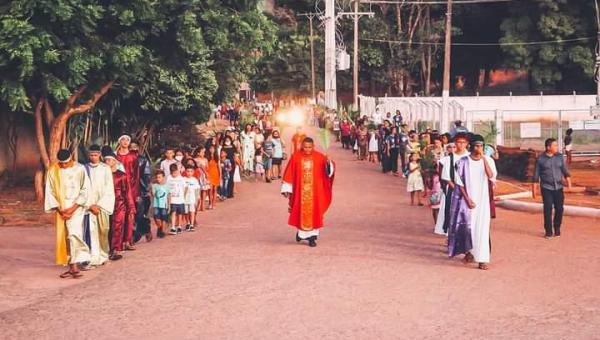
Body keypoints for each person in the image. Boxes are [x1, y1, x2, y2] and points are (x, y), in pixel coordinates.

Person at [447, 134, 497, 270]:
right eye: (477, 146)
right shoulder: (462, 162)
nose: (479, 148)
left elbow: (491, 176)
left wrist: (484, 159)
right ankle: (470, 252)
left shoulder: (488, 161)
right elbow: (459, 183)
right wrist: (467, 199)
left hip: (483, 202)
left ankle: (483, 260)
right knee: (469, 228)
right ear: (471, 147)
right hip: (468, 201)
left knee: (483, 229)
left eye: (481, 146)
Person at [45, 149, 92, 278]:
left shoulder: (80, 169)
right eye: (62, 163)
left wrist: (72, 208)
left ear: (71, 159)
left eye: (66, 163)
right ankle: (72, 264)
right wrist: (60, 210)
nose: (64, 166)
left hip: (76, 208)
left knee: (74, 234)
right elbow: (50, 191)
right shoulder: (53, 170)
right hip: (61, 209)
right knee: (65, 237)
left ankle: (75, 265)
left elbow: (85, 189)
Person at [281, 137, 335, 247]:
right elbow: (289, 173)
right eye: (305, 147)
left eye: (310, 147)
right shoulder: (296, 157)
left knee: (315, 213)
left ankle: (312, 238)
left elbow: (328, 172)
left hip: (315, 192)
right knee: (301, 212)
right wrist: (287, 188)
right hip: (301, 192)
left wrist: (329, 162)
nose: (307, 149)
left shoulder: (319, 157)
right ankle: (301, 234)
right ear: (302, 146)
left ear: (313, 146)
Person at [83, 144, 115, 267]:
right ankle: (92, 257)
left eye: (96, 155)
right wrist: (90, 205)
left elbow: (109, 188)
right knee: (91, 231)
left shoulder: (105, 168)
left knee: (103, 230)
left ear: (100, 155)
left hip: (102, 205)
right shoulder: (84, 169)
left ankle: (103, 255)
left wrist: (99, 205)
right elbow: (83, 189)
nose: (94, 157)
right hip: (89, 206)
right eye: (91, 155)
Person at [534, 138, 572, 238]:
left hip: (558, 188)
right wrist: (534, 190)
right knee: (547, 209)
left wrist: (569, 183)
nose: (557, 147)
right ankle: (548, 231)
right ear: (548, 147)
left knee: (559, 208)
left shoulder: (559, 157)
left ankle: (557, 227)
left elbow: (565, 171)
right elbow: (536, 175)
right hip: (546, 188)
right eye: (554, 145)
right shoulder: (540, 159)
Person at [434, 134, 470, 236]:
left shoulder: (469, 157)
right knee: (451, 213)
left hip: (468, 190)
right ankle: (450, 236)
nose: (461, 145)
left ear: (467, 144)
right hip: (453, 190)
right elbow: (446, 177)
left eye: (463, 142)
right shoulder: (449, 158)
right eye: (459, 142)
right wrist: (457, 189)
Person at [104, 148, 134, 260]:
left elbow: (128, 192)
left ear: (115, 161)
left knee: (117, 226)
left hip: (120, 203)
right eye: (106, 160)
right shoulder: (102, 175)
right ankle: (107, 248)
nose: (108, 162)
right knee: (107, 226)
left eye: (110, 160)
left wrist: (130, 206)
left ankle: (115, 249)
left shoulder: (122, 175)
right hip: (106, 203)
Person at [115, 134, 139, 250]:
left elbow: (136, 175)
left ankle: (128, 240)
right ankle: (116, 243)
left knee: (130, 215)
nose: (125, 142)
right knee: (118, 216)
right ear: (119, 141)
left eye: (127, 140)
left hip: (130, 189)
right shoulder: (114, 156)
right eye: (123, 139)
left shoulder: (133, 157)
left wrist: (135, 193)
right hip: (117, 188)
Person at [130, 140, 153, 243]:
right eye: (131, 146)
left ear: (139, 148)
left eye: (135, 146)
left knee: (140, 214)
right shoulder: (122, 159)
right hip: (128, 190)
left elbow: (147, 176)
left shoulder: (143, 160)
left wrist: (143, 189)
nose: (133, 148)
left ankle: (145, 231)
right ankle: (132, 235)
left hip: (140, 191)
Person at [166, 163, 187, 234]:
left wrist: (184, 196)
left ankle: (179, 226)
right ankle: (173, 227)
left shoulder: (181, 178)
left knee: (180, 213)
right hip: (172, 200)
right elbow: (167, 188)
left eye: (176, 173)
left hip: (180, 199)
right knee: (173, 213)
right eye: (173, 173)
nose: (174, 175)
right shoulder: (169, 178)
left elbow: (185, 187)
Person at [151, 170, 169, 238]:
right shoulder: (155, 185)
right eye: (157, 177)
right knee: (157, 218)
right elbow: (153, 194)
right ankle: (160, 227)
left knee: (164, 218)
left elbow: (168, 195)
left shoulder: (166, 186)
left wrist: (169, 204)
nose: (158, 179)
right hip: (156, 204)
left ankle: (162, 231)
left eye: (160, 177)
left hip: (164, 204)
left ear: (163, 177)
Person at [183, 165, 200, 231]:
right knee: (186, 212)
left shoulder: (194, 180)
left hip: (192, 198)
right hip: (185, 199)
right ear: (185, 172)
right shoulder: (183, 179)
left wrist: (197, 198)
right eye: (188, 171)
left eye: (191, 171)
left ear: (193, 172)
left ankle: (192, 224)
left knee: (192, 211)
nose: (189, 173)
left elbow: (197, 190)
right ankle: (188, 222)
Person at [206, 145, 221, 210]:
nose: (212, 150)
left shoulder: (217, 157)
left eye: (213, 149)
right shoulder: (207, 157)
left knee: (215, 189)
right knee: (210, 189)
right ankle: (210, 203)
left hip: (216, 174)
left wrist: (220, 176)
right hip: (209, 174)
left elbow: (219, 167)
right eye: (210, 148)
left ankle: (214, 203)